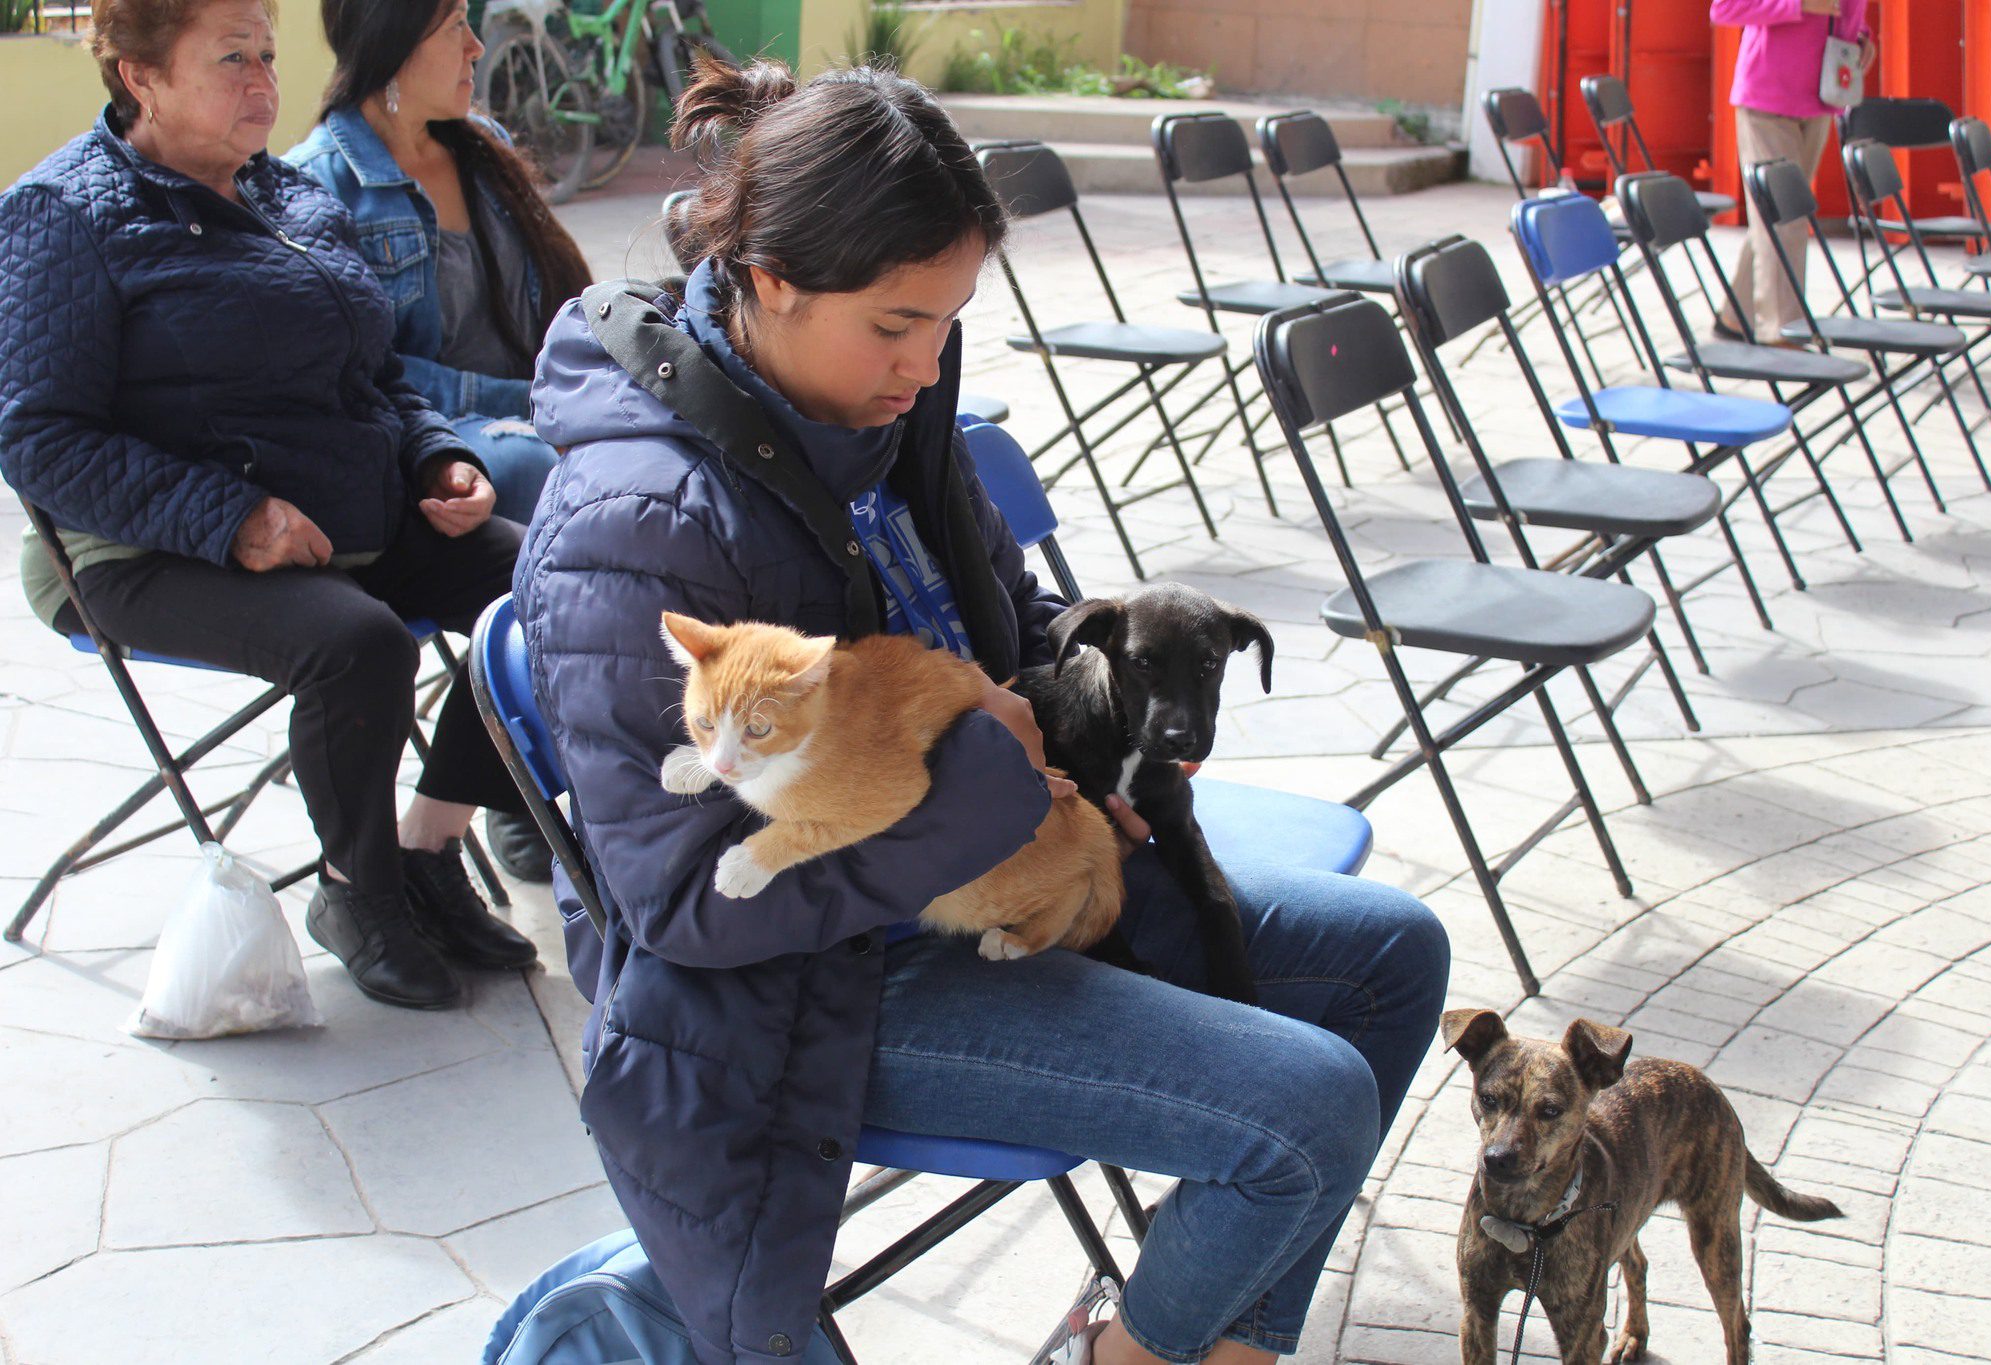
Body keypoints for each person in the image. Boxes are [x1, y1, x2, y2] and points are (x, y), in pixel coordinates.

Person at [513, 58, 1452, 1365]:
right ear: (770, 277)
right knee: (1303, 1110)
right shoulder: (643, 528)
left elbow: (1012, 629)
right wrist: (991, 795)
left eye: (947, 319)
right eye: (896, 324)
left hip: (1007, 869)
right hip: (813, 991)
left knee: (1391, 956)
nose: (926, 360)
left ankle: (1216, 1345)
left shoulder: (887, 419)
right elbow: (683, 904)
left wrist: (1102, 748)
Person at [0, 0, 539, 1010]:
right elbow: (38, 437)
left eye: (268, 55)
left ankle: (430, 843)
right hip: (136, 551)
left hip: (347, 512)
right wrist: (230, 515)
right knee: (359, 643)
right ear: (140, 77)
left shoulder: (285, 194)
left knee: (557, 582)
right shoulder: (63, 214)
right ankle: (356, 892)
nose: (263, 82)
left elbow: (374, 372)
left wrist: (434, 459)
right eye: (230, 59)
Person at [286, 0, 595, 882]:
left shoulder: (480, 143)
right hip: (426, 439)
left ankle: (533, 762)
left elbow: (555, 315)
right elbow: (371, 370)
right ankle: (520, 771)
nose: (474, 45)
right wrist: (527, 408)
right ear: (388, 45)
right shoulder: (320, 184)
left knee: (659, 477)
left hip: (529, 413)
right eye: (452, 24)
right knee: (555, 488)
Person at [1711, 0, 1874, 345]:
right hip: (1767, 99)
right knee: (1785, 220)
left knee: (1777, 218)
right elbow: (1723, 9)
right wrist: (1798, 5)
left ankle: (1736, 317)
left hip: (1820, 97)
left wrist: (1860, 38)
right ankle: (1782, 333)